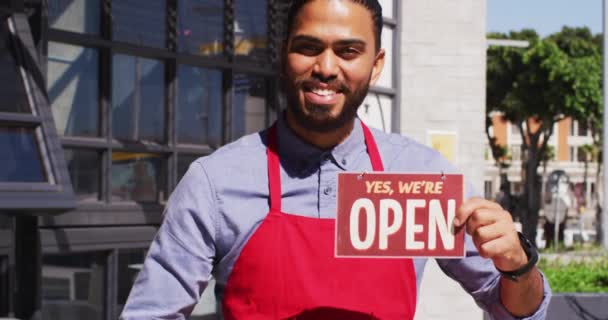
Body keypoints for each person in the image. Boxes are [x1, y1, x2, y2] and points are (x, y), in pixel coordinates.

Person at [121, 0, 551, 319]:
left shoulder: (424, 178)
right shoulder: (215, 183)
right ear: (283, 53)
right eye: (308, 47)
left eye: (348, 51)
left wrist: (517, 264)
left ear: (376, 64)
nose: (325, 67)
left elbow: (517, 308)